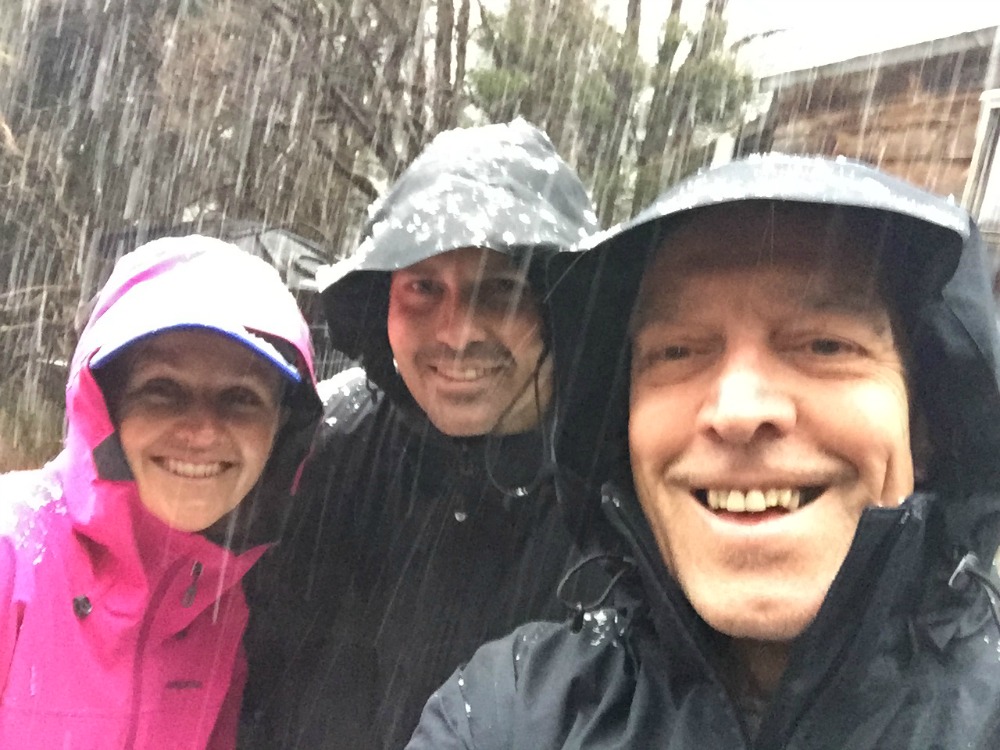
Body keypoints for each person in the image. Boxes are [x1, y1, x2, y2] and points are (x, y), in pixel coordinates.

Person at [405, 154, 1000, 749]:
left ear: (924, 426)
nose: (738, 410)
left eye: (824, 344)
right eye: (677, 352)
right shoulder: (506, 716)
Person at [240, 119, 608, 749]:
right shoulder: (327, 455)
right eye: (423, 288)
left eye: (502, 289)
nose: (457, 332)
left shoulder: (623, 494)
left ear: (561, 305)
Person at [0, 236, 321, 749]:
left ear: (281, 431)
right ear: (107, 405)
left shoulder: (222, 609)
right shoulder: (12, 554)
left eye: (240, 398)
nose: (201, 431)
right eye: (162, 389)